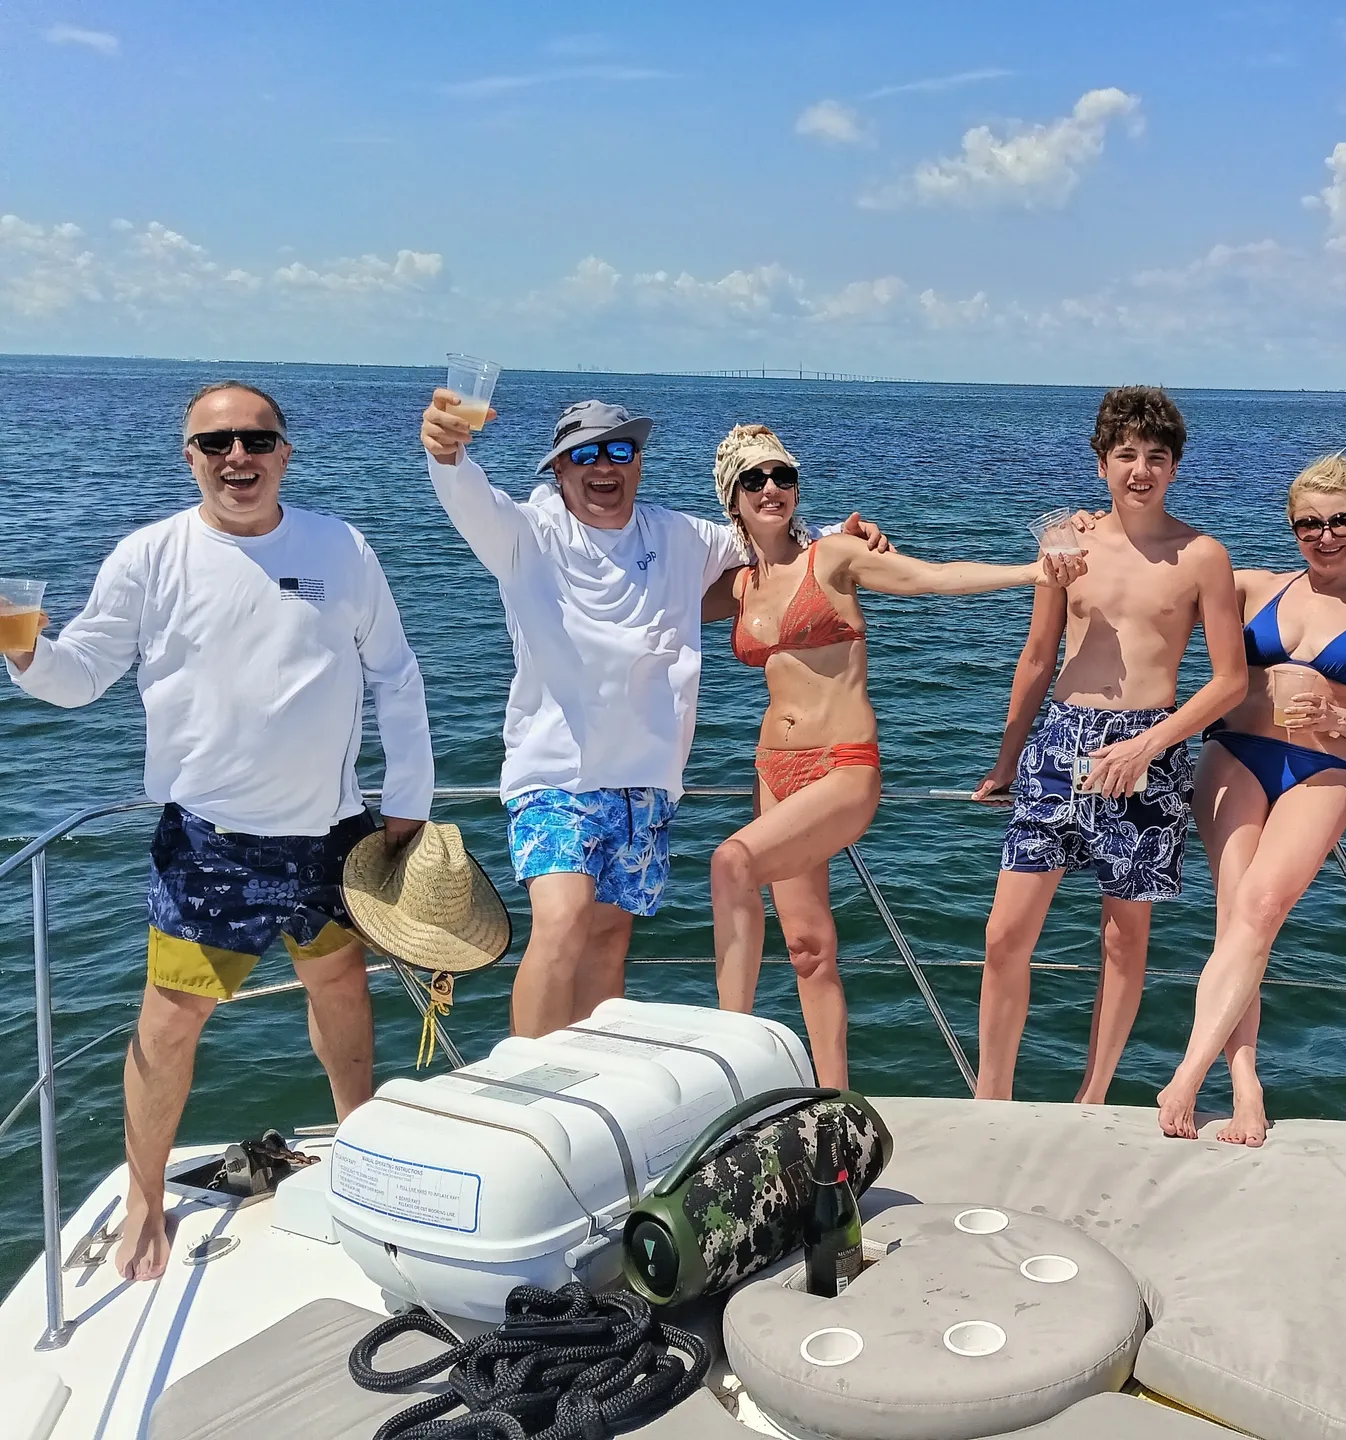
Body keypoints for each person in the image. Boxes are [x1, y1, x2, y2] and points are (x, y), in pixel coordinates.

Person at [5, 380, 433, 1281]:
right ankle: (144, 1198)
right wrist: (26, 654)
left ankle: (359, 1149)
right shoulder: (149, 556)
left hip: (332, 833)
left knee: (342, 992)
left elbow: (395, 673)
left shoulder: (341, 546)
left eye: (256, 439)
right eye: (216, 442)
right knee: (169, 1024)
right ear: (189, 456)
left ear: (285, 453)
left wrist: (410, 794)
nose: (237, 456)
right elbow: (82, 674)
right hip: (211, 843)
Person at [420, 391, 888, 1038]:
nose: (604, 465)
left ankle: (589, 1078)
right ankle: (529, 1082)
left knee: (609, 941)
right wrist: (446, 452)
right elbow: (467, 495)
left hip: (645, 783)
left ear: (638, 462)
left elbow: (770, 537)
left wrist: (845, 537)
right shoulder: (526, 534)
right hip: (556, 777)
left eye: (620, 450)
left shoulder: (678, 536)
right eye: (584, 454)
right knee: (560, 921)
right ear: (559, 469)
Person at [707, 425, 1082, 1087]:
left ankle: (723, 1069)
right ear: (731, 497)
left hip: (842, 765)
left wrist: (1032, 572)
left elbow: (930, 579)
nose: (771, 489)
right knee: (806, 948)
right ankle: (832, 1098)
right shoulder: (737, 586)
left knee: (731, 862)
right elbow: (644, 606)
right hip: (773, 769)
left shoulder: (833, 557)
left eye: (783, 476)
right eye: (754, 480)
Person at [973, 386, 1247, 1103]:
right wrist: (1007, 758)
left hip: (1147, 753)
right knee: (1005, 936)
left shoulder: (1202, 556)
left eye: (1156, 456)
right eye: (1126, 455)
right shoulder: (1068, 544)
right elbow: (1038, 656)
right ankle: (991, 1096)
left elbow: (1229, 681)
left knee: (1124, 940)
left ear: (1175, 468)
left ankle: (1091, 1098)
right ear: (1102, 464)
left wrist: (1148, 745)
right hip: (1061, 743)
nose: (1140, 470)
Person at [1156, 455, 1346, 1143]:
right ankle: (1245, 1084)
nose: (1325, 536)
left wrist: (1337, 719)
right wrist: (1085, 528)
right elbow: (1156, 575)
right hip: (1236, 752)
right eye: (1309, 524)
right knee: (1237, 920)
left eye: (1341, 522)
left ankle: (1186, 1075)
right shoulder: (1251, 587)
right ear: (1293, 528)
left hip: (1325, 765)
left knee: (1263, 909)